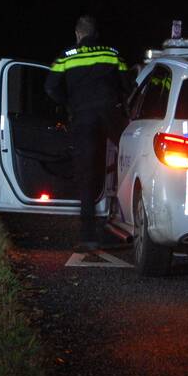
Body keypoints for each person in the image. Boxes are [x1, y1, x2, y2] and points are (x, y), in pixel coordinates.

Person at [45, 15, 132, 252]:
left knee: (87, 176)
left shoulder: (66, 56)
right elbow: (128, 82)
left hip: (83, 119)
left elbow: (50, 87)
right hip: (111, 116)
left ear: (78, 34)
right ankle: (131, 221)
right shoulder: (112, 53)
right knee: (131, 162)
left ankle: (88, 237)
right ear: (96, 33)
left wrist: (68, 104)